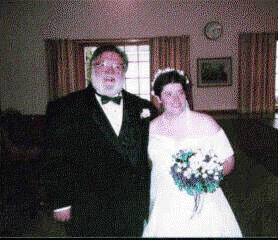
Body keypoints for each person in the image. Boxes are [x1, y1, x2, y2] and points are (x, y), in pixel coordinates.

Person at [40, 45, 157, 237]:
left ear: (124, 72)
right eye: (103, 65)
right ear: (91, 68)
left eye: (117, 66)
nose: (111, 71)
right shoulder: (64, 107)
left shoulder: (143, 108)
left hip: (132, 206)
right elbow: (53, 158)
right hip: (88, 207)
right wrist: (60, 202)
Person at [142, 69, 242, 237]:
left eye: (180, 92)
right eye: (168, 94)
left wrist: (206, 177)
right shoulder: (150, 129)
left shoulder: (206, 123)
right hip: (165, 204)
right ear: (159, 98)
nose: (176, 99)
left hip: (204, 201)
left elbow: (229, 160)